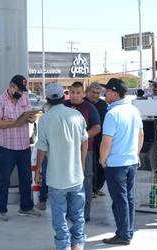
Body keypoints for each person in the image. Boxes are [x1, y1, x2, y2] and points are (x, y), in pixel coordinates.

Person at [35, 83, 88, 250]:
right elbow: (84, 141)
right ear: (63, 97)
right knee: (78, 213)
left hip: (56, 177)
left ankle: (63, 245)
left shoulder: (44, 119)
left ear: (47, 99)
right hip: (76, 176)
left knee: (59, 214)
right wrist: (82, 163)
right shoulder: (77, 115)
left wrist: (37, 170)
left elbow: (42, 148)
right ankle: (78, 244)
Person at [99, 78, 144, 246]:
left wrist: (102, 159)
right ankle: (126, 231)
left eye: (107, 91)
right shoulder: (134, 110)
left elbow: (106, 141)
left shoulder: (112, 113)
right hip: (131, 161)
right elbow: (141, 135)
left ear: (115, 93)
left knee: (119, 200)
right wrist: (136, 154)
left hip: (116, 164)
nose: (105, 93)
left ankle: (124, 235)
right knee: (128, 198)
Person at [0, 74, 40, 221]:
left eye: (23, 90)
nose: (22, 93)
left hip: (24, 146)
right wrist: (14, 124)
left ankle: (26, 207)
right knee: (4, 179)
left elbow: (30, 115)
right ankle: (1, 210)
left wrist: (31, 117)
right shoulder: (0, 102)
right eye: (19, 90)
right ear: (11, 87)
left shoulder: (24, 98)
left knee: (25, 179)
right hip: (7, 147)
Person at [64, 81, 100, 222]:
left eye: (78, 93)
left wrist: (82, 137)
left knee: (86, 181)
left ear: (83, 94)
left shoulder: (89, 108)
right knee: (67, 181)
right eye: (72, 92)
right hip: (66, 150)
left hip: (87, 150)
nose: (75, 95)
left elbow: (97, 128)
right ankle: (68, 212)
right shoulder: (63, 106)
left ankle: (85, 214)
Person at [84, 82, 108, 198]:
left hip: (101, 140)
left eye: (98, 93)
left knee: (101, 166)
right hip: (87, 140)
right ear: (87, 92)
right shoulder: (83, 103)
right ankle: (91, 189)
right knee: (90, 167)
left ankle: (97, 187)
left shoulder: (103, 104)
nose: (95, 95)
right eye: (93, 92)